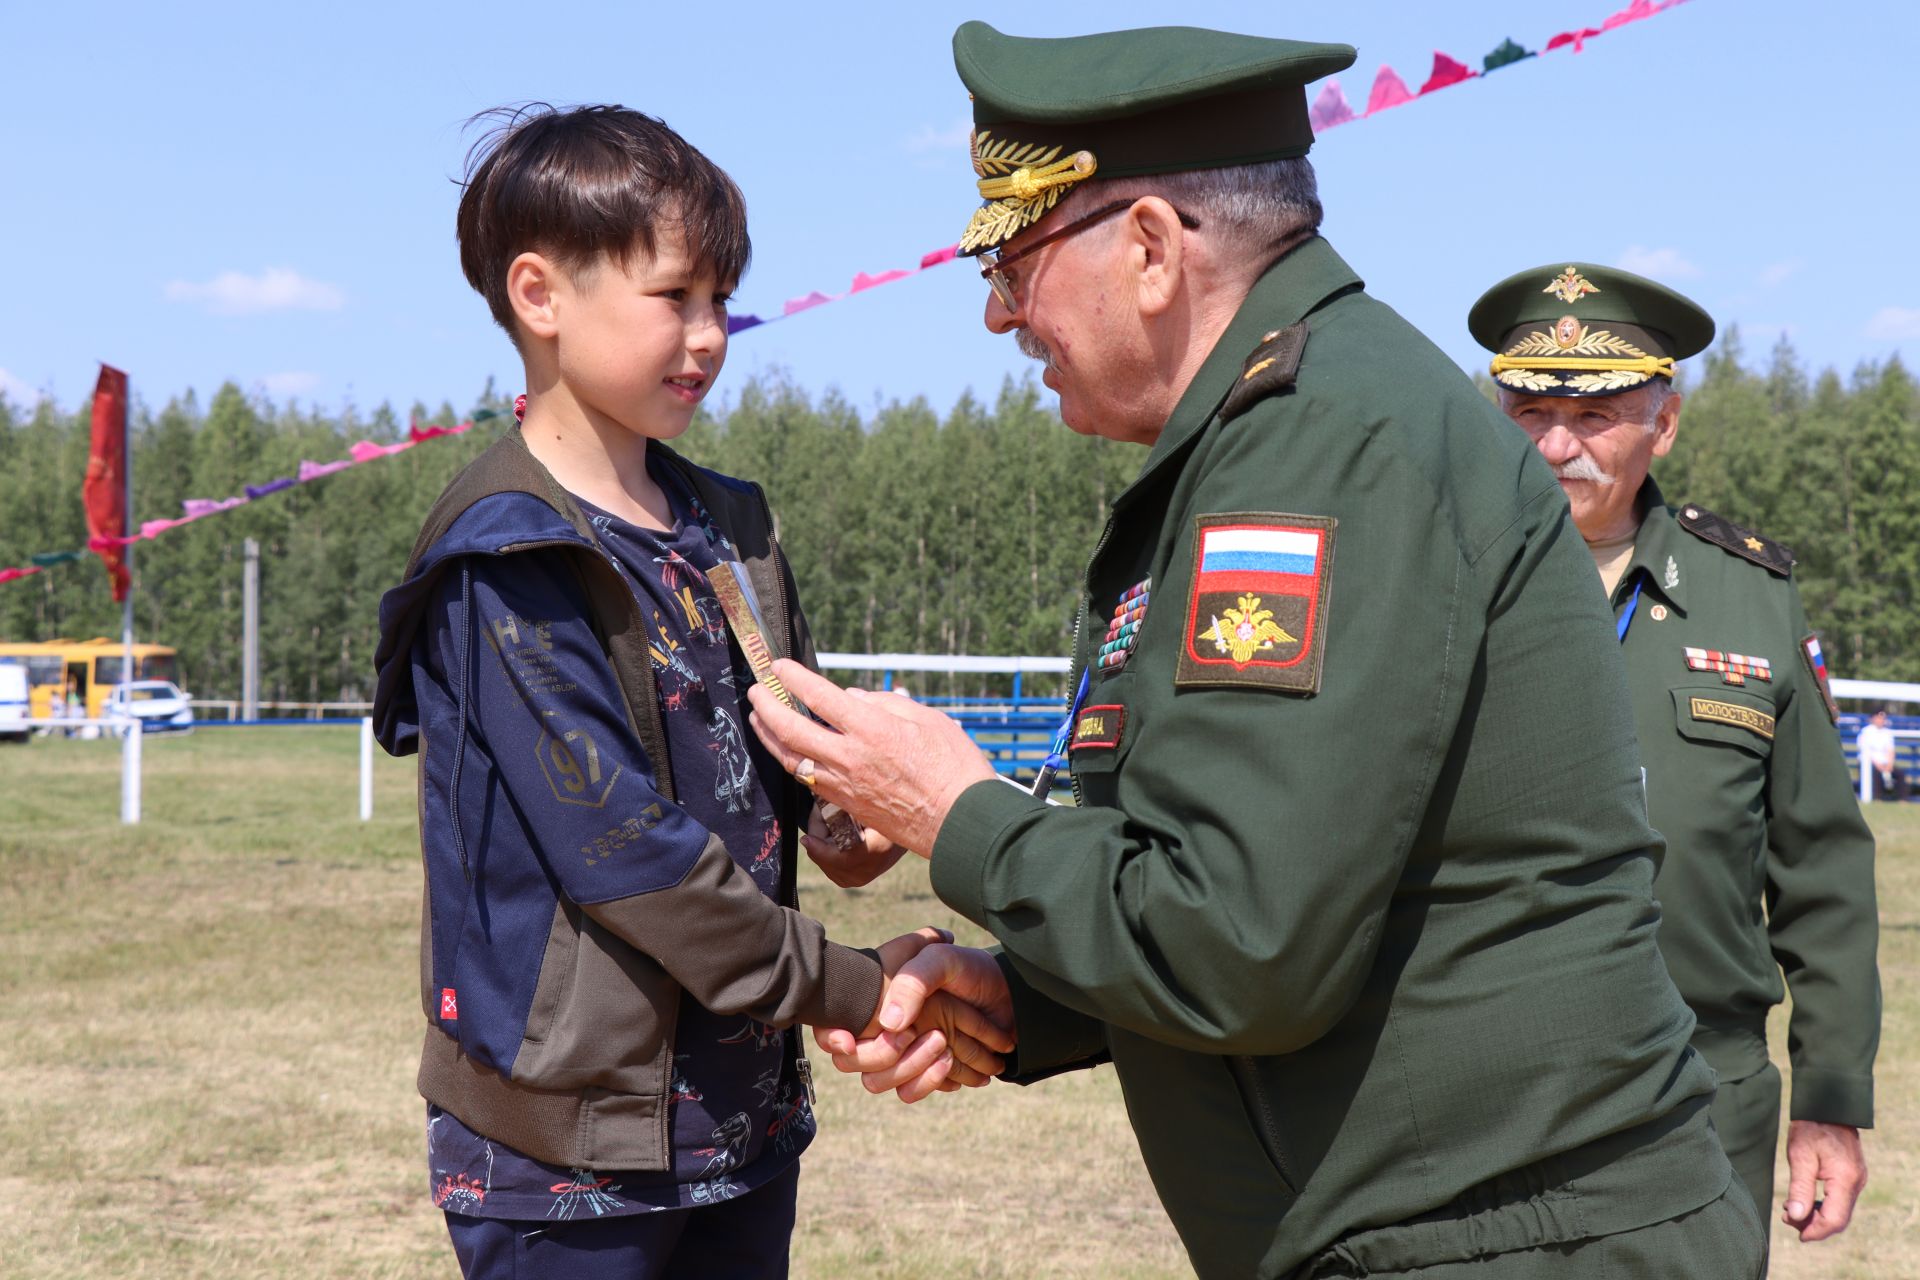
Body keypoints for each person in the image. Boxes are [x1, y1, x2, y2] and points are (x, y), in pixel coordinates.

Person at [746, 23, 1763, 1279]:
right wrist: (1035, 1001)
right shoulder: (1275, 431)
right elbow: (1300, 879)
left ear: (1155, 249)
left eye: (1015, 258)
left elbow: (1248, 943)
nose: (1001, 311)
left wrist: (958, 810)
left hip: (1499, 1238)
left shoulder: (1319, 445)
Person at [369, 104, 1007, 1280]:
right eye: (676, 297)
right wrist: (858, 980)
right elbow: (626, 853)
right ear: (539, 295)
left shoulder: (730, 527)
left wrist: (858, 814)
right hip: (570, 1154)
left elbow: (781, 771)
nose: (710, 335)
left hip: (741, 1119)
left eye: (724, 299)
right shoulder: (506, 558)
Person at [1469, 262, 1881, 1263]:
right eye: (1528, 409)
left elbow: (1822, 867)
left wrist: (1829, 1100)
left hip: (1700, 1091)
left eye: (1598, 414)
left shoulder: (1750, 599)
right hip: (1477, 1084)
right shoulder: (1438, 586)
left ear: (1665, 423)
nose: (1558, 443)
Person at [1858, 708, 1905, 800]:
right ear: (1873, 719)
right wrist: (1877, 765)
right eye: (1878, 718)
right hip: (1869, 762)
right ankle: (1877, 798)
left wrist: (1890, 764)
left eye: (1883, 718)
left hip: (1885, 763)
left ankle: (1902, 799)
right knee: (1875, 773)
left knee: (1900, 774)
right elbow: (1866, 752)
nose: (1881, 720)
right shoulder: (1866, 732)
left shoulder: (1887, 733)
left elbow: (1890, 750)